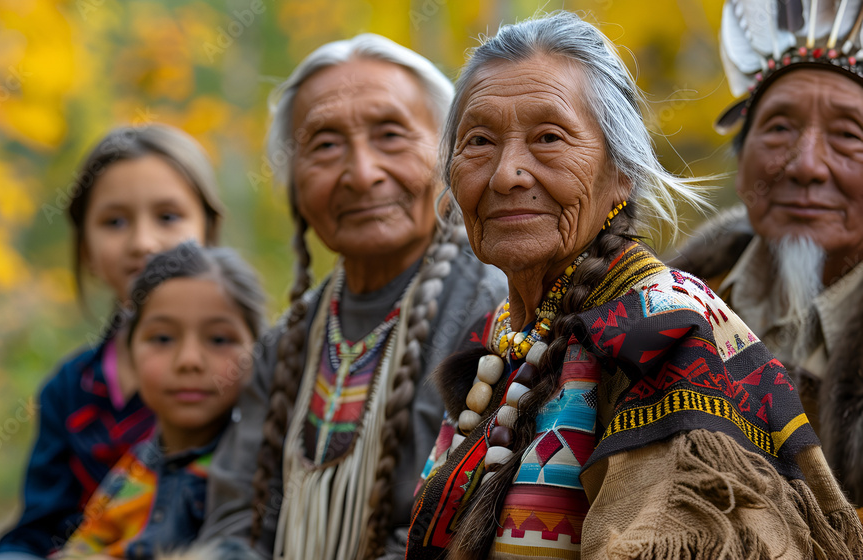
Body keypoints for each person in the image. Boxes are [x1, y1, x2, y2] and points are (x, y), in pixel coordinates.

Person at [406, 12, 863, 559]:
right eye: (478, 141)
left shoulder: (663, 332)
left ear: (622, 170)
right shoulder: (505, 335)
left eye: (549, 137)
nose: (507, 174)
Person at [197, 34, 508, 559]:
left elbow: (450, 529)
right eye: (323, 145)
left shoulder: (496, 313)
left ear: (448, 154)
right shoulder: (287, 343)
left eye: (390, 135)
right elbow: (234, 521)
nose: (362, 174)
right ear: (293, 183)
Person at [0, 124, 226, 558]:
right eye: (115, 221)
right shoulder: (68, 389)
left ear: (209, 229)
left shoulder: (243, 372)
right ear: (85, 249)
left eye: (168, 217)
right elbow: (38, 533)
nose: (142, 242)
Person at [669, 0, 863, 516]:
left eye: (848, 136)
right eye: (779, 128)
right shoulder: (660, 313)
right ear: (741, 163)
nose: (806, 166)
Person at [55, 242, 266, 559]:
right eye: (163, 338)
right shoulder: (131, 472)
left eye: (219, 339)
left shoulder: (257, 470)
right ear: (130, 353)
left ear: (258, 352)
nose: (189, 360)